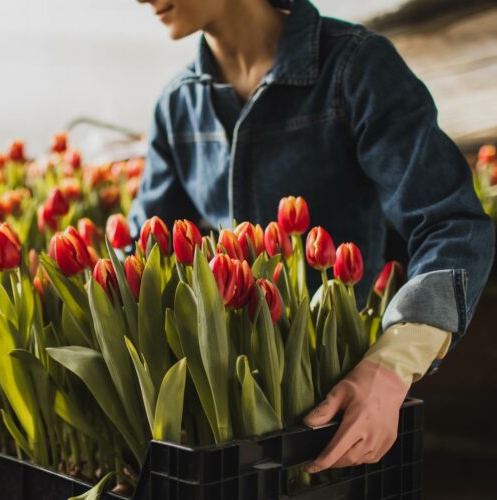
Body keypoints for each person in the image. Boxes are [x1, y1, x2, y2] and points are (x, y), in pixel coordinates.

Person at [131, 0, 494, 472]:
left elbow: (452, 222)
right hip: (220, 434)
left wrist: (392, 365)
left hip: (340, 417)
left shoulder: (355, 67)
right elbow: (142, 257)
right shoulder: (178, 105)